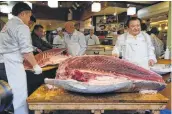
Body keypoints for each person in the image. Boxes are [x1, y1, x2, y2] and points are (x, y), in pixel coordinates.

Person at [0, 2, 42, 114]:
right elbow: (26, 51)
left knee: (8, 94)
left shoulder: (8, 24)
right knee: (19, 95)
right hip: (12, 65)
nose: (29, 20)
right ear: (23, 14)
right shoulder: (21, 26)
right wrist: (36, 66)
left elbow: (14, 42)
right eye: (29, 16)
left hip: (3, 63)